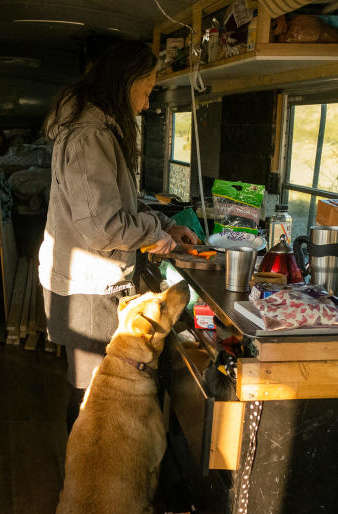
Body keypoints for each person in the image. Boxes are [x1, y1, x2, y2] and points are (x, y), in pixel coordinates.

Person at [37, 40, 199, 431]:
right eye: (145, 92)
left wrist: (162, 228)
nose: (145, 105)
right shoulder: (89, 136)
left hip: (86, 282)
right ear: (125, 83)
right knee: (96, 402)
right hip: (88, 288)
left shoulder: (94, 130)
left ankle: (91, 479)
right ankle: (91, 484)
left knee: (95, 399)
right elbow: (103, 228)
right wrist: (154, 232)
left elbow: (114, 209)